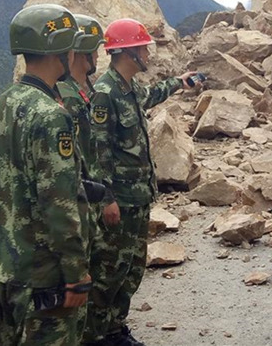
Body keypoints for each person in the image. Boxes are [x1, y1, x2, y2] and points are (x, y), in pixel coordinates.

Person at [83, 18, 195, 346]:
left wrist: (179, 82)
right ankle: (96, 335)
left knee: (130, 271)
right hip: (120, 200)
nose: (148, 52)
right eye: (143, 47)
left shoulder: (128, 88)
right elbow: (98, 153)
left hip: (138, 198)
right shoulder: (105, 93)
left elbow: (151, 94)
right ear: (129, 52)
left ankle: (115, 329)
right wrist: (107, 199)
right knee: (108, 273)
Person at [0, 4, 91, 345]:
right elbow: (58, 203)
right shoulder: (50, 115)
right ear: (59, 51)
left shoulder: (6, 101)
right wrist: (75, 273)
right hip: (45, 271)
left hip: (8, 262)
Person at [55, 14, 107, 335]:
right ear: (81, 54)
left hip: (88, 206)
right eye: (95, 50)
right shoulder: (66, 100)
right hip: (75, 212)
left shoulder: (81, 91)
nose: (99, 56)